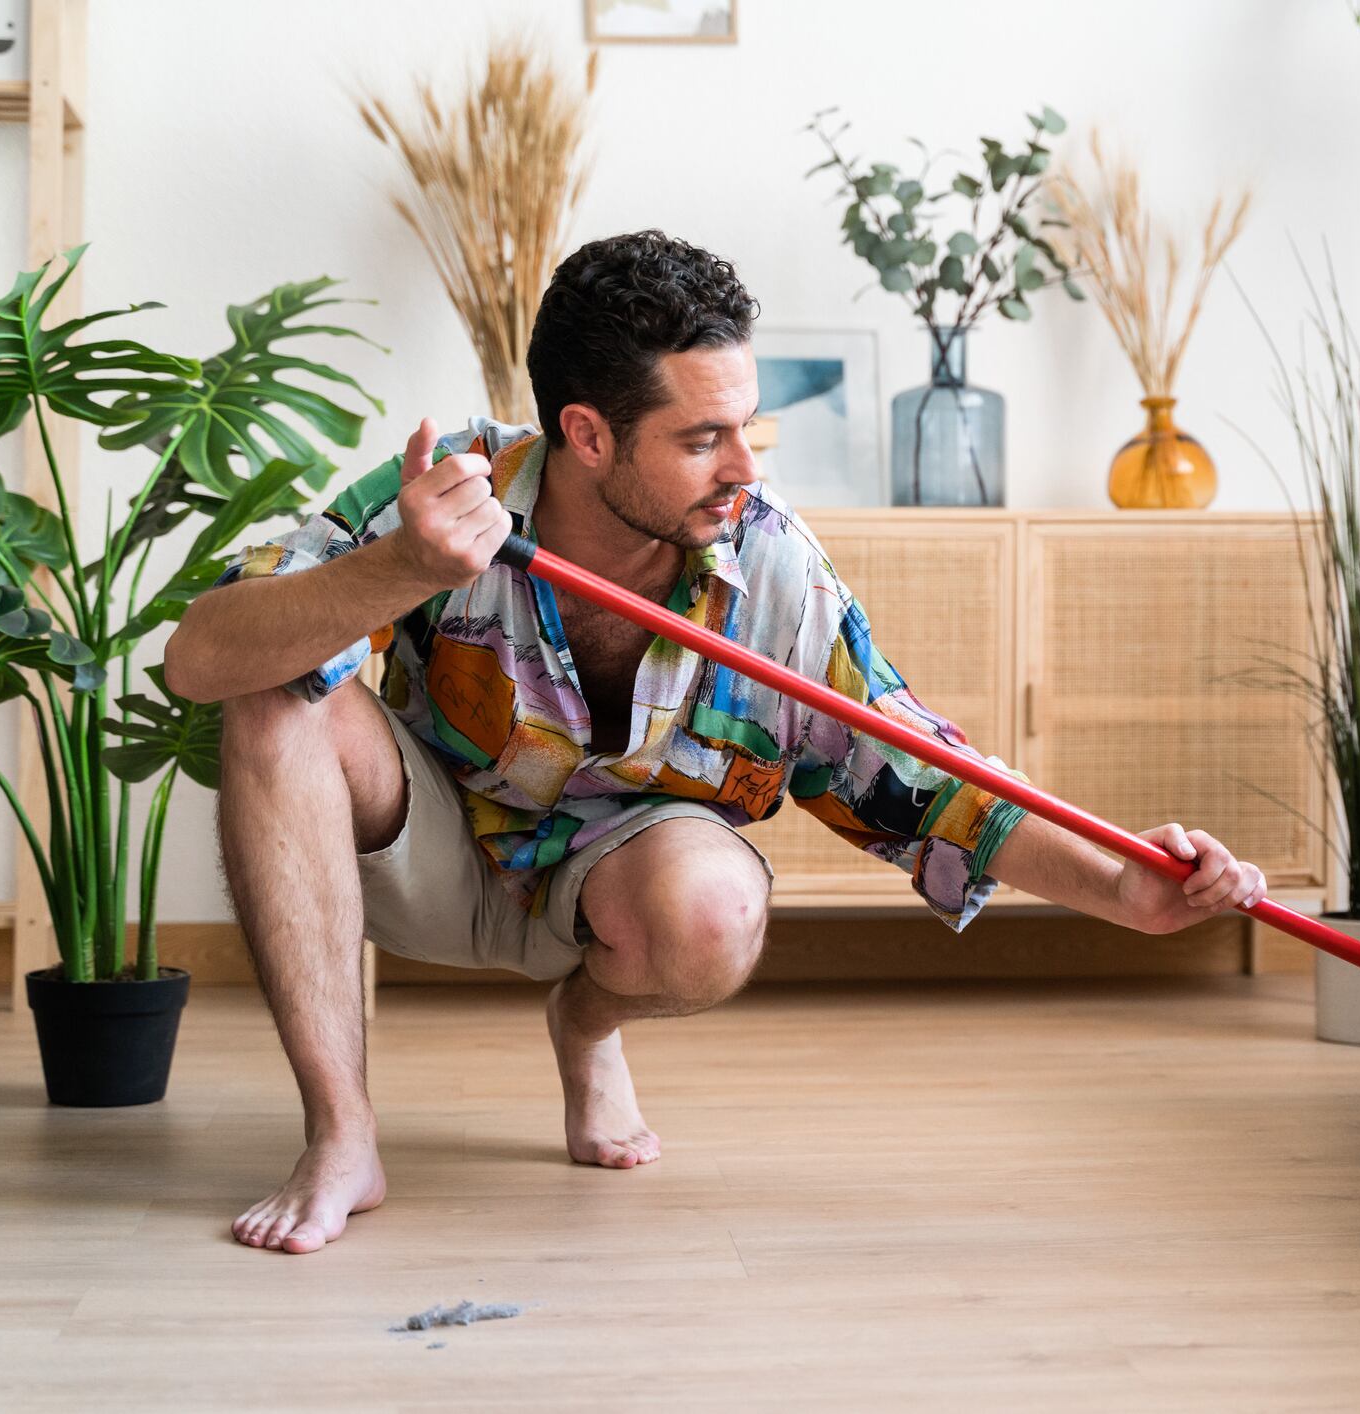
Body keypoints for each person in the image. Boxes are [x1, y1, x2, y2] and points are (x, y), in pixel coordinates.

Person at [163, 230, 1268, 1256]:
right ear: (586, 434)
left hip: (625, 878)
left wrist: (1126, 886)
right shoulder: (454, 492)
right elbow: (199, 658)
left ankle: (586, 1025)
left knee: (713, 911)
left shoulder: (772, 560)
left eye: (748, 424)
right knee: (272, 693)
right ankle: (342, 1134)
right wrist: (397, 569)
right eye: (701, 438)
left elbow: (921, 774)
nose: (744, 463)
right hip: (427, 848)